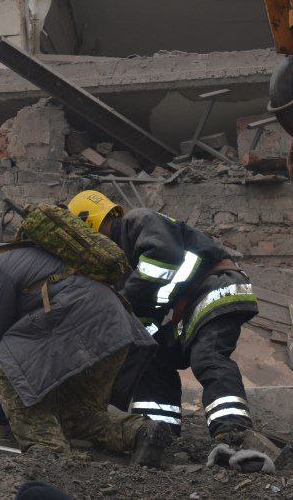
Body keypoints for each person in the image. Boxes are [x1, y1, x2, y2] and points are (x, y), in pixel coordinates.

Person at [0, 229, 171, 466]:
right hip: (113, 328)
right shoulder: (13, 254)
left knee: (2, 366)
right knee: (78, 417)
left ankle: (49, 453)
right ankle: (142, 432)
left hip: (83, 325)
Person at [66, 191, 261, 447]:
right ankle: (159, 432)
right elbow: (146, 315)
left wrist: (120, 302)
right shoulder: (123, 258)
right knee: (154, 357)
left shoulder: (139, 222)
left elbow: (162, 260)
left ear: (89, 225)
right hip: (190, 305)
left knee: (207, 356)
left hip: (216, 288)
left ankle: (233, 431)